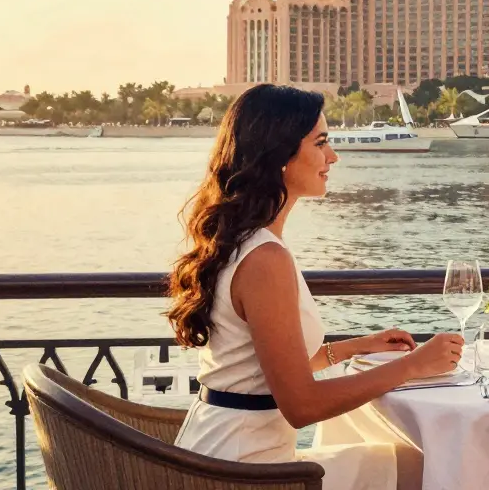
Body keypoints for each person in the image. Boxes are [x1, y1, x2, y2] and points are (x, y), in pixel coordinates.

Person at [168, 84, 463, 489]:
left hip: (226, 450)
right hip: (242, 471)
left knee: (410, 461)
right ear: (279, 155)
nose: (333, 156)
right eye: (321, 143)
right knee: (434, 468)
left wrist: (357, 347)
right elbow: (302, 405)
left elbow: (262, 369)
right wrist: (414, 366)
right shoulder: (264, 259)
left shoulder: (242, 242)